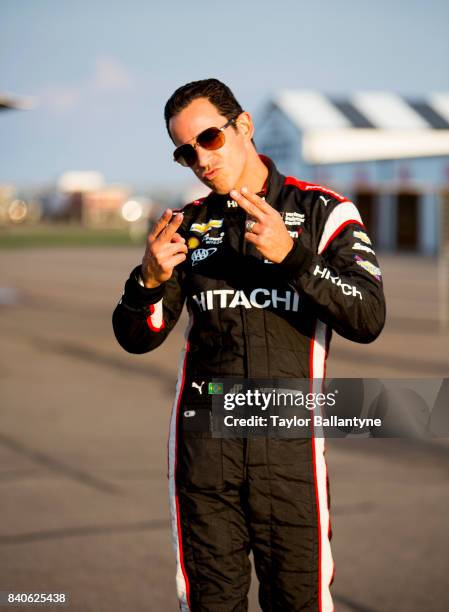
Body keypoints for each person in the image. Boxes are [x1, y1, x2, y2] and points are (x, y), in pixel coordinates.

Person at [112, 78, 386, 612]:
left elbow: (369, 316)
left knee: (298, 602)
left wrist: (293, 257)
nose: (199, 159)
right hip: (205, 452)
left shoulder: (325, 212)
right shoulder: (186, 226)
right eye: (185, 151)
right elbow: (136, 336)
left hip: (288, 452)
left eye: (209, 139)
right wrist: (145, 281)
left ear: (244, 127)